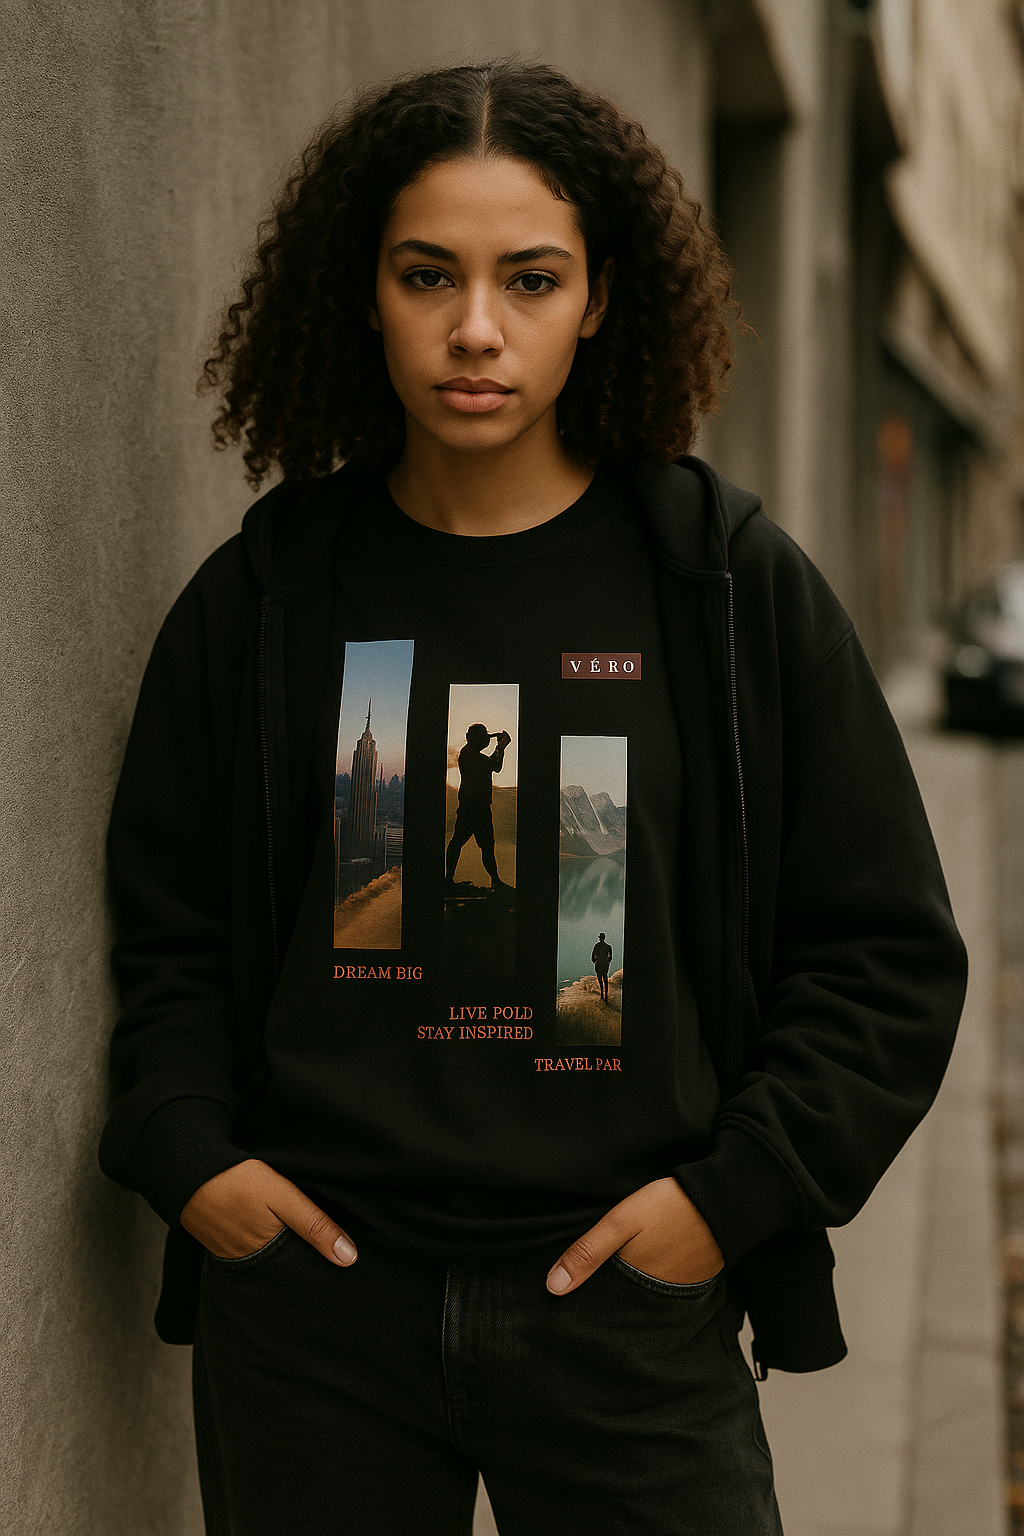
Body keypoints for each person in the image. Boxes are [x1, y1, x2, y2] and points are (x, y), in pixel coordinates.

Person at [98, 61, 967, 1536]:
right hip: (318, 1321)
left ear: (603, 297)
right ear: (363, 291)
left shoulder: (724, 589)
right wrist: (194, 1157)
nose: (477, 329)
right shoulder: (270, 599)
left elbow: (883, 953)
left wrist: (733, 1198)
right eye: (427, 274)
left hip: (627, 1314)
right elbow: (170, 928)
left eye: (533, 277)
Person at [445, 723, 512, 890]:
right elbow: (495, 765)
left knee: (478, 845)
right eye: (483, 737)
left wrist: (498, 745)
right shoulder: (470, 755)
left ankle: (493, 880)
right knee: (472, 844)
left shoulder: (469, 753)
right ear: (475, 739)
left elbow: (491, 764)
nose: (485, 741)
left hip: (474, 807)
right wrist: (501, 747)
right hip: (474, 808)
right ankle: (450, 878)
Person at [592, 932, 612, 1002]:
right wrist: (607, 962)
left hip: (600, 964)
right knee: (605, 979)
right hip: (604, 964)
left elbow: (593, 956)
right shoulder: (608, 946)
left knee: (601, 979)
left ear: (599, 938)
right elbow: (610, 958)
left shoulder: (597, 945)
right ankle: (605, 996)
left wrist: (595, 960)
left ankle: (602, 996)